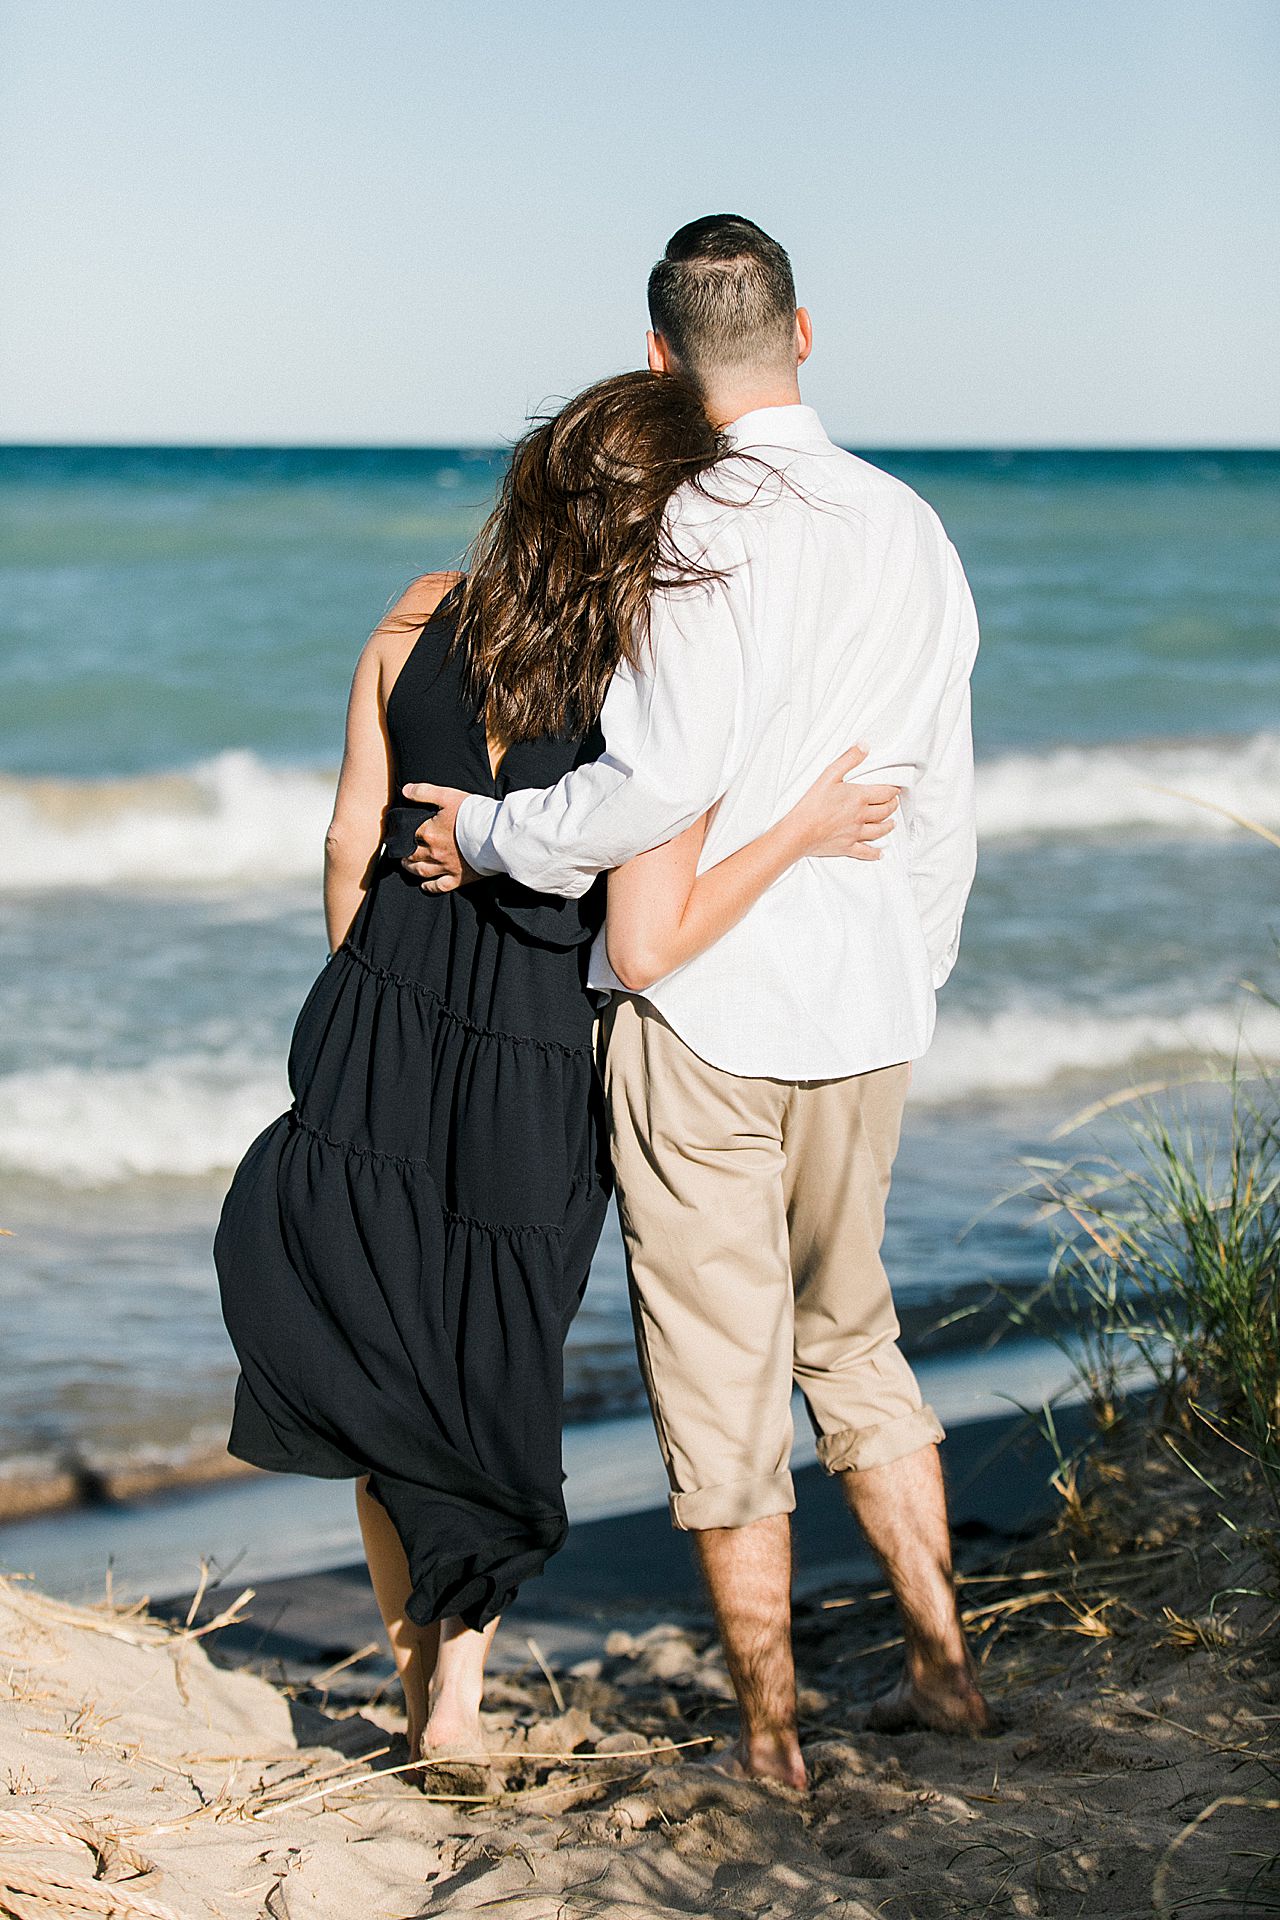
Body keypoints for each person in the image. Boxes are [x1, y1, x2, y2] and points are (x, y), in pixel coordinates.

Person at [214, 367, 898, 1776]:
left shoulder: (410, 625)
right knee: (490, 1356)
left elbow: (351, 842)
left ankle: (433, 1702)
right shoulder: (644, 683)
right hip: (541, 1053)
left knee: (387, 1348)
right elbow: (653, 905)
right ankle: (454, 1696)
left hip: (375, 1021)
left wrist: (378, 990)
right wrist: (808, 833)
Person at [403, 214, 992, 1789]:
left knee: (718, 1378)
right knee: (854, 1347)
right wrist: (908, 969)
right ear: (806, 334)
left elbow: (652, 782)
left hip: (706, 1016)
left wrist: (490, 834)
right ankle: (945, 1680)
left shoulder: (687, 527)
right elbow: (939, 798)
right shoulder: (913, 527)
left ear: (660, 358)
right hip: (867, 1008)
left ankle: (774, 1734)